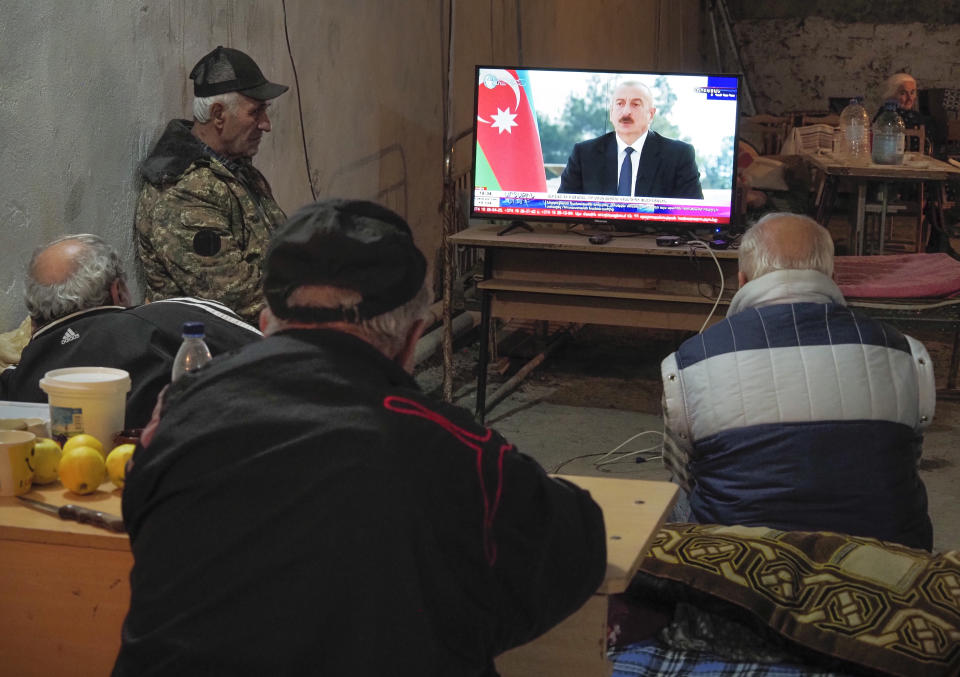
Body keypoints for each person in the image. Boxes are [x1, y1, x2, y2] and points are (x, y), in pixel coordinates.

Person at [113, 199, 607, 676]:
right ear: (413, 339)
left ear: (265, 326)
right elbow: (577, 545)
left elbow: (142, 515)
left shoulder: (180, 412)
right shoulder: (451, 450)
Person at [659, 212, 934, 550]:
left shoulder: (690, 362)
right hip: (886, 564)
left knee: (672, 492)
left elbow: (683, 471)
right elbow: (909, 458)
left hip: (739, 565)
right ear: (833, 276)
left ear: (742, 280)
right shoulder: (907, 353)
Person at [0, 234, 261, 430]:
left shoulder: (19, 377)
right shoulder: (174, 317)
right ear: (118, 291)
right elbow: (267, 350)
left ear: (34, 319)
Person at [135, 46, 289, 323]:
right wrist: (316, 297)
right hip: (216, 351)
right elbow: (237, 297)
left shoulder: (235, 168)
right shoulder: (184, 191)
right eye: (256, 112)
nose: (265, 125)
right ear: (218, 115)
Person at [558, 81, 703, 199]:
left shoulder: (678, 155)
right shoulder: (584, 154)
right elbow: (564, 209)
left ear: (651, 114)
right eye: (620, 104)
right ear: (611, 112)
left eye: (635, 104)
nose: (626, 112)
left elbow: (693, 213)